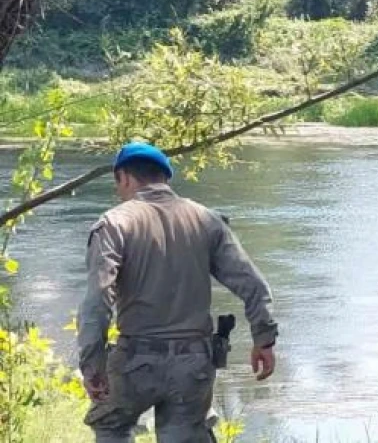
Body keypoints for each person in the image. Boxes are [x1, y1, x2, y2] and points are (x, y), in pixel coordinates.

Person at [78, 142, 279, 443]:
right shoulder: (206, 220)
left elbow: (98, 300)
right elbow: (253, 284)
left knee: (112, 427)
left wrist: (92, 365)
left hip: (135, 361)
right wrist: (264, 338)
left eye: (117, 183)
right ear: (165, 178)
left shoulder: (114, 224)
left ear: (124, 177)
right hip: (193, 365)